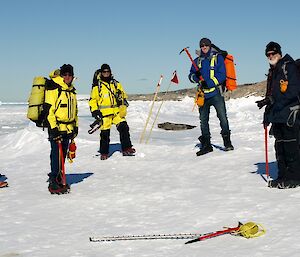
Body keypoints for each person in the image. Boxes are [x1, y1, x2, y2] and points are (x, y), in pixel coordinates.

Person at [256, 42, 300, 189]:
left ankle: (294, 178)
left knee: (290, 147)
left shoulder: (288, 67)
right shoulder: (273, 71)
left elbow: (293, 91)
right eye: (268, 54)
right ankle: (282, 177)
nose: (271, 56)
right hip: (278, 116)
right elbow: (271, 95)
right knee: (280, 147)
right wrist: (267, 114)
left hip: (290, 115)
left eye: (273, 53)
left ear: (279, 53)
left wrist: (273, 99)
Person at [188, 37, 234, 156]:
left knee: (223, 118)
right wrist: (196, 77)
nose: (204, 47)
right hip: (202, 95)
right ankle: (207, 144)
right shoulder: (197, 61)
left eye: (206, 45)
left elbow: (222, 75)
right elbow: (190, 75)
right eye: (202, 46)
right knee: (203, 121)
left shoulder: (217, 58)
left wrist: (208, 82)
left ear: (209, 46)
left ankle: (227, 142)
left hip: (216, 94)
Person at [89, 64, 135, 160]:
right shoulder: (97, 86)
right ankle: (104, 153)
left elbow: (123, 95)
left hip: (116, 112)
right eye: (104, 72)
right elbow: (93, 100)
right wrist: (94, 111)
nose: (106, 73)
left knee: (124, 127)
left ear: (110, 72)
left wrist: (121, 101)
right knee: (105, 134)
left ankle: (127, 148)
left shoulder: (116, 84)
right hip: (104, 114)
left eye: (108, 72)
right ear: (101, 73)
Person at [44, 64, 78, 194]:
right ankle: (54, 180)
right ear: (61, 75)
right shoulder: (54, 88)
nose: (67, 77)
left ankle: (59, 177)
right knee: (56, 154)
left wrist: (75, 127)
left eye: (70, 74)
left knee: (62, 154)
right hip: (57, 127)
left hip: (68, 128)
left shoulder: (71, 91)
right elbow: (49, 111)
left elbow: (75, 111)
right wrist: (53, 129)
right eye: (65, 74)